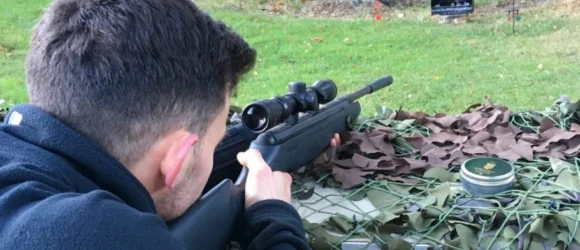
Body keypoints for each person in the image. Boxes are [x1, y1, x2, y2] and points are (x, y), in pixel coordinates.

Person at [0, 0, 341, 249]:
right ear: (175, 161)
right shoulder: (100, 235)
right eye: (214, 142)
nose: (214, 153)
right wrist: (275, 221)